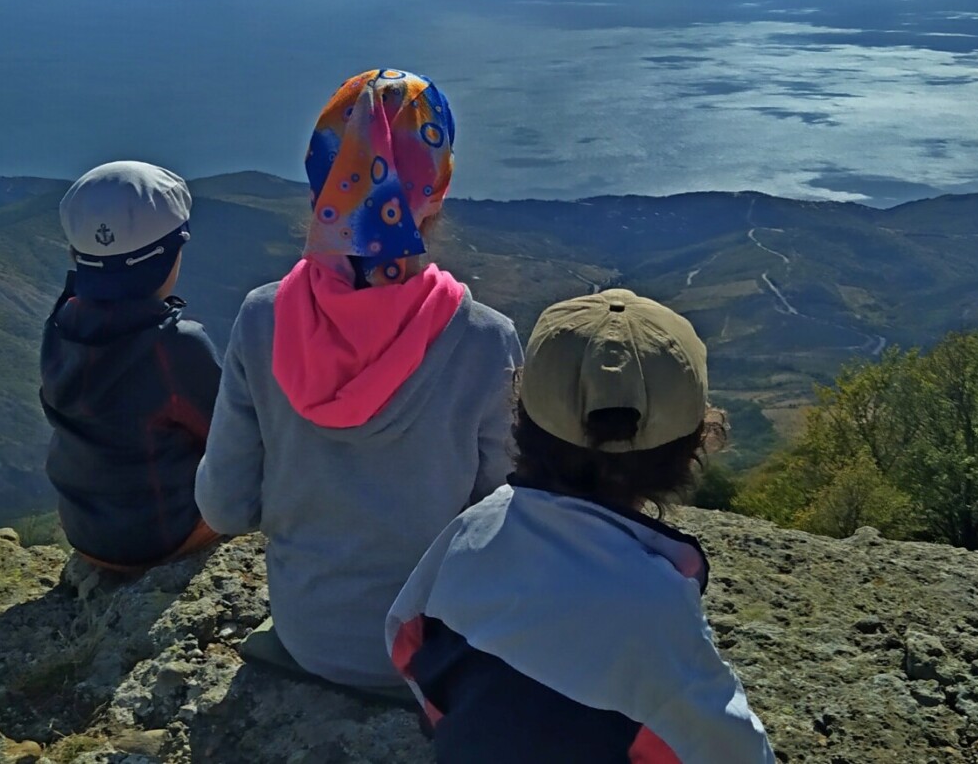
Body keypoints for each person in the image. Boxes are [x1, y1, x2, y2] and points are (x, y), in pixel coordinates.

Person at [195, 69, 524, 688]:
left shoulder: (262, 319)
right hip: (432, 652)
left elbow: (224, 508)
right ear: (439, 186)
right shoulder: (485, 341)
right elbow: (504, 525)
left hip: (307, 636)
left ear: (321, 176)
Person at [387, 289, 775, 763]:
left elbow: (403, 637)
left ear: (522, 417)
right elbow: (734, 753)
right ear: (690, 446)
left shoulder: (471, 531)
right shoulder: (658, 613)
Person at [40, 160, 222, 574]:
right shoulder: (175, 344)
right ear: (172, 254)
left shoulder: (59, 324)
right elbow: (229, 439)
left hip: (83, 530)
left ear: (76, 254)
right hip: (157, 539)